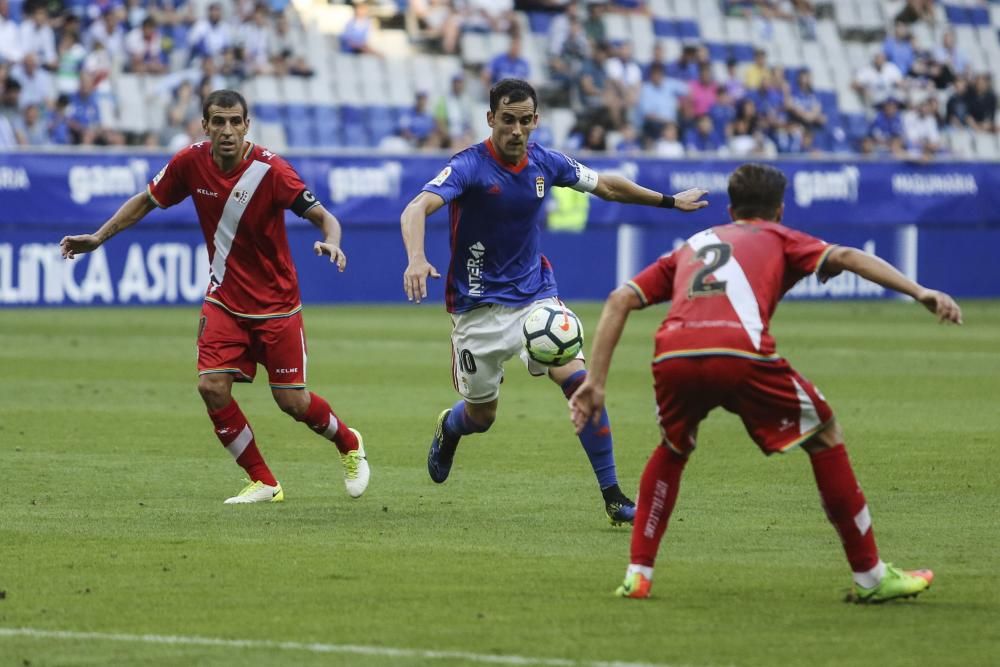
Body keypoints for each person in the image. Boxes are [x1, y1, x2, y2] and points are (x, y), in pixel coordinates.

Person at [569, 163, 962, 601]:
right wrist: (920, 291)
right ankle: (871, 577)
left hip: (673, 356)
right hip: (739, 354)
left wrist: (597, 382)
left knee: (673, 448)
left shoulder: (696, 243)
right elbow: (848, 256)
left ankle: (638, 574)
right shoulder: (779, 236)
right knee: (825, 435)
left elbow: (620, 298)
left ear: (732, 206)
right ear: (779, 209)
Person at [400, 79, 708, 525]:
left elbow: (608, 187)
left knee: (583, 387)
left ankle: (614, 496)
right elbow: (415, 209)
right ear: (490, 119)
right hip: (477, 311)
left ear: (536, 121)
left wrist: (668, 202)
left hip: (535, 299)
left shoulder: (546, 161)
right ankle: (451, 427)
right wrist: (416, 257)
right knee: (482, 416)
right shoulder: (468, 166)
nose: (517, 130)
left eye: (526, 121)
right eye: (508, 120)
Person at [59, 89, 370, 505]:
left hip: (277, 305)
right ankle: (263, 481)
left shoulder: (272, 170)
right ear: (204, 126)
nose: (227, 130)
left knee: (291, 401)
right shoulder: (190, 162)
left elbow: (324, 217)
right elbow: (146, 202)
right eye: (218, 122)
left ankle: (348, 442)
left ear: (247, 125)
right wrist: (98, 237)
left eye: (235, 122)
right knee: (212, 388)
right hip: (224, 299)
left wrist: (332, 241)